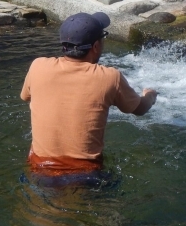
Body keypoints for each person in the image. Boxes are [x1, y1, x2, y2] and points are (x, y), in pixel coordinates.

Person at [20, 12, 157, 176]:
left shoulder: (38, 66)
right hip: (85, 174)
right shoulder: (109, 77)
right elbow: (139, 109)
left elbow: (25, 96)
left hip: (39, 169)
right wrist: (150, 95)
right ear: (96, 47)